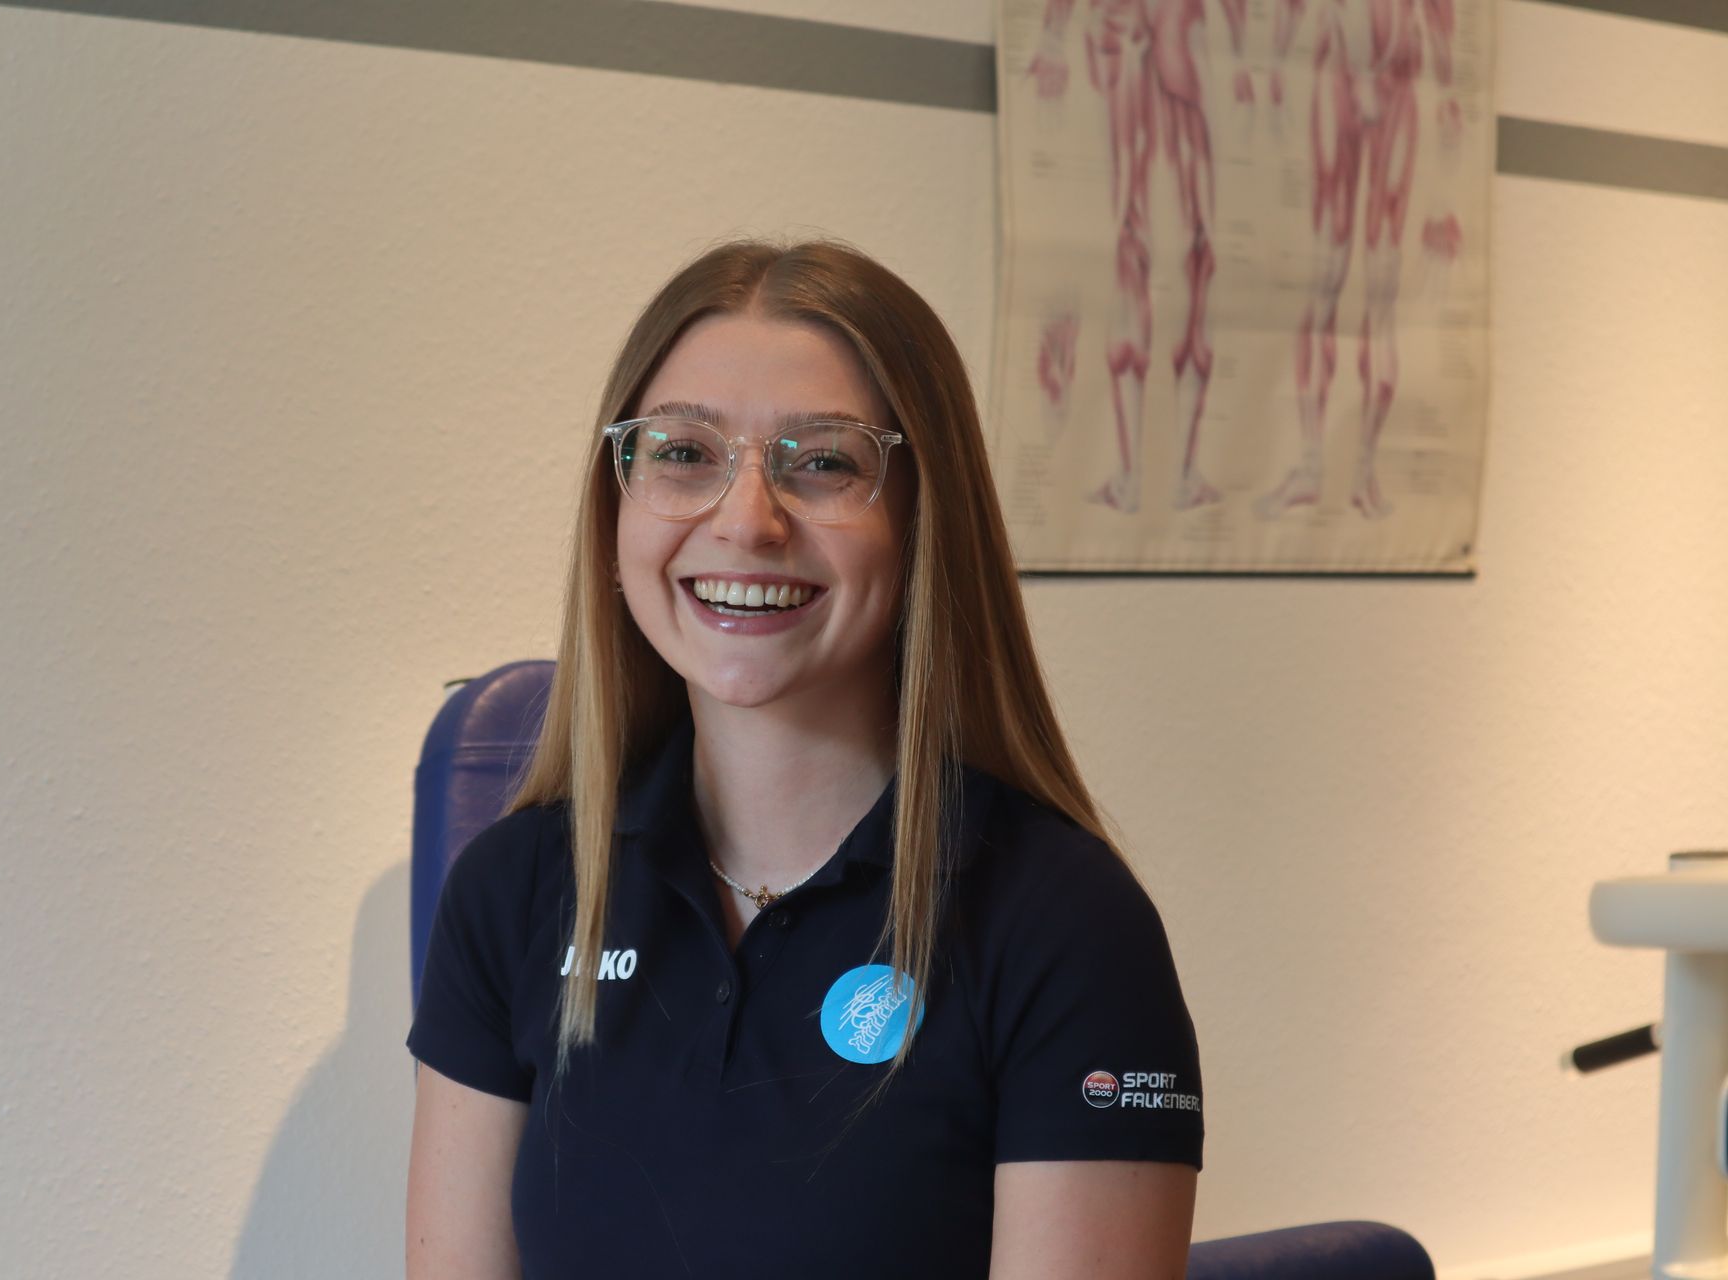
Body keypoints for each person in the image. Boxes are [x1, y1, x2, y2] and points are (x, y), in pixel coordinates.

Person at [406, 239, 1203, 1278]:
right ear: (618, 505)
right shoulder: (511, 893)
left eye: (824, 461)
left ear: (925, 521)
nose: (746, 519)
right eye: (683, 452)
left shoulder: (1062, 923)